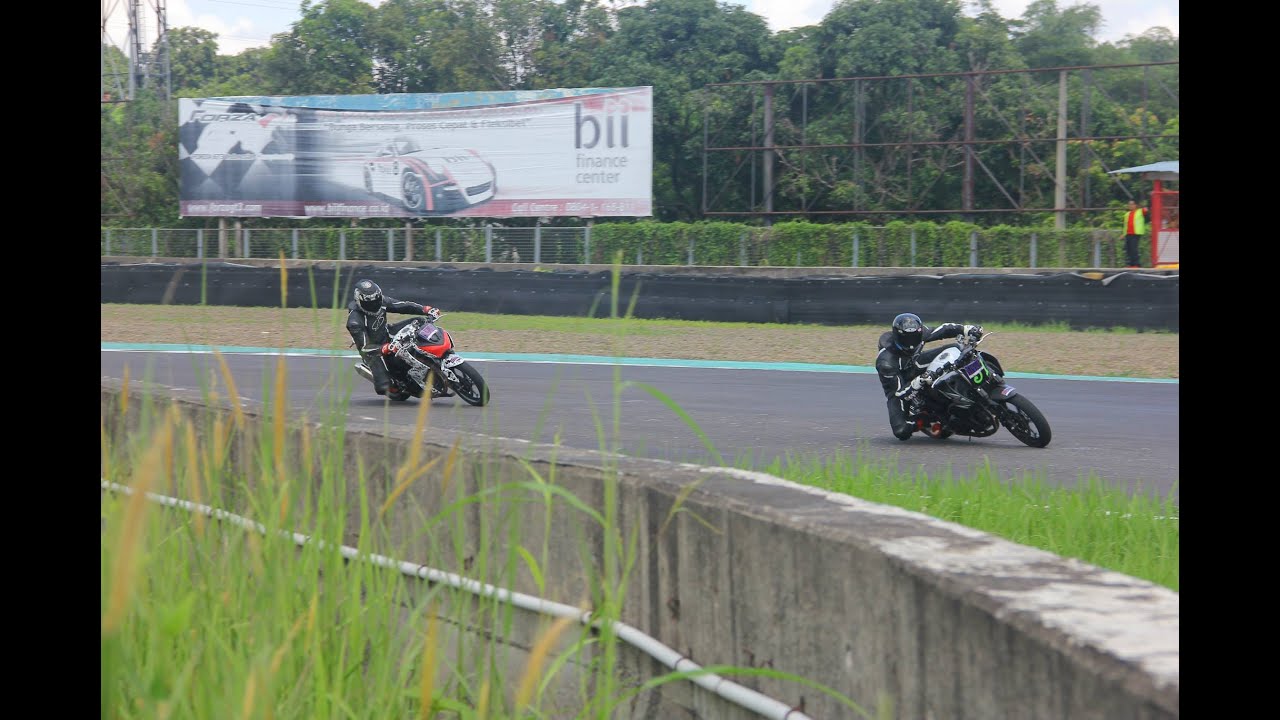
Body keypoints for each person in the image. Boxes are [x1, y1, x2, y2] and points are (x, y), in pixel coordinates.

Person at [875, 312, 984, 440]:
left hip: (915, 365)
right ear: (897, 337)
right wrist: (918, 382)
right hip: (900, 384)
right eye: (907, 339)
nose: (911, 342)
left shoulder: (919, 333)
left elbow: (942, 330)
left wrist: (965, 329)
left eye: (915, 338)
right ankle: (924, 420)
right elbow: (899, 393)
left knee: (955, 349)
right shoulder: (886, 362)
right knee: (901, 431)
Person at [346, 279, 443, 397]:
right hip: (374, 352)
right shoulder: (354, 322)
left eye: (376, 299)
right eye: (369, 302)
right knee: (383, 387)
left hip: (387, 334)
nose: (374, 304)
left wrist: (426, 309)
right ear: (359, 301)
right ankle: (395, 385)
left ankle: (431, 350)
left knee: (420, 321)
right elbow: (364, 348)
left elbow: (402, 306)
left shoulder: (381, 301)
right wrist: (384, 348)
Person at [1122, 199, 1149, 268]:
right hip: (1128, 234)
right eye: (1129, 204)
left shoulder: (1140, 211)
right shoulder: (1127, 214)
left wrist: (1142, 205)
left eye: (1132, 204)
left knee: (1134, 249)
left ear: (1135, 205)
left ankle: (1136, 264)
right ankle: (1130, 264)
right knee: (1128, 249)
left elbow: (1146, 210)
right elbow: (1125, 225)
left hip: (1135, 233)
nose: (1130, 206)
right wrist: (1123, 234)